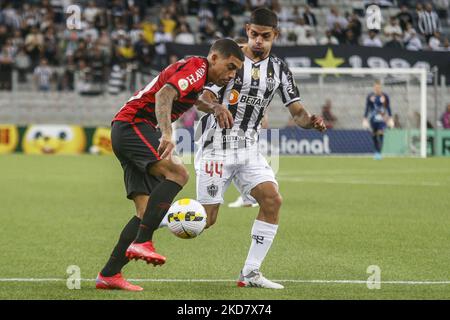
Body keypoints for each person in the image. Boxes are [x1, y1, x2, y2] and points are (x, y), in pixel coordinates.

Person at [96, 39, 244, 291]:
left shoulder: (199, 79)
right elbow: (165, 94)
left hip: (127, 128)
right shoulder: (198, 67)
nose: (231, 75)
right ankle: (143, 241)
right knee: (178, 173)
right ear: (214, 58)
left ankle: (109, 274)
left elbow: (196, 101)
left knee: (144, 212)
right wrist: (167, 133)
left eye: (235, 71)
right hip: (134, 125)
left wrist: (216, 106)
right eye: (229, 67)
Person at [194, 8, 326, 289]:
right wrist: (215, 106)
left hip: (249, 149)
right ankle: (152, 221)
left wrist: (311, 121)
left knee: (272, 199)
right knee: (205, 220)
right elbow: (200, 98)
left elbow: (298, 112)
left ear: (275, 36)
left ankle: (251, 273)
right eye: (254, 35)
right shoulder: (231, 59)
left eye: (265, 36)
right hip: (216, 147)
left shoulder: (279, 69)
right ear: (247, 31)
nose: (258, 41)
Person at [363, 80, 394, 160]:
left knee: (380, 134)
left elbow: (388, 107)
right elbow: (367, 108)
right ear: (374, 87)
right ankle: (376, 152)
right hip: (373, 119)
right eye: (376, 87)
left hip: (382, 119)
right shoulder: (370, 96)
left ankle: (379, 153)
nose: (377, 89)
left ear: (381, 88)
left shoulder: (385, 96)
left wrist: (390, 118)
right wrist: (365, 118)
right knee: (374, 135)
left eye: (379, 87)